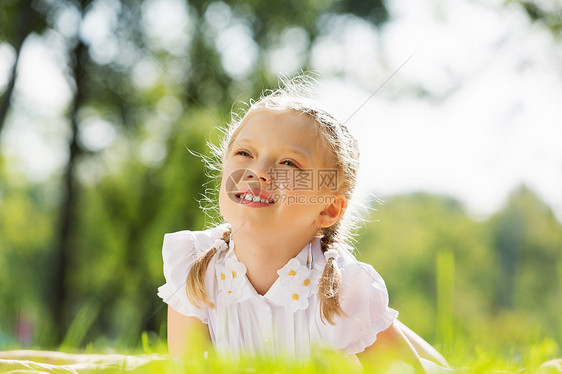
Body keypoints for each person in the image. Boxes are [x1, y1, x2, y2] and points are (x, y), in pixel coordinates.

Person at [157, 74, 451, 372]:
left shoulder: (343, 292)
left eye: (288, 163)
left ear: (328, 209)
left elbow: (407, 370)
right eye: (244, 153)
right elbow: (187, 368)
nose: (258, 171)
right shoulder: (195, 267)